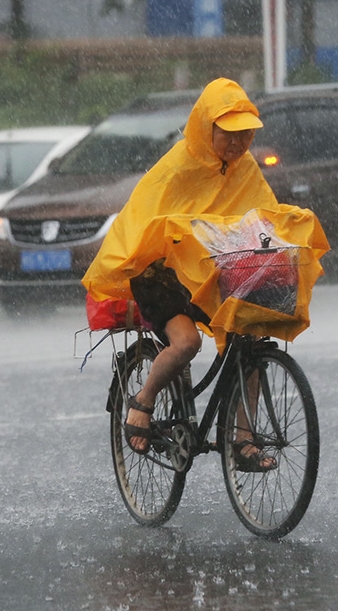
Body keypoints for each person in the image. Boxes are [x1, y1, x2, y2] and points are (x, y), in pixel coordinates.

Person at [82, 78, 281, 472]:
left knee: (252, 341)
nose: (238, 144)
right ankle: (143, 402)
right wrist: (183, 241)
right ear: (207, 127)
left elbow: (266, 216)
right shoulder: (176, 167)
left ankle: (243, 441)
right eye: (230, 134)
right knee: (186, 342)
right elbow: (145, 224)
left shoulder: (245, 170)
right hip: (159, 271)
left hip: (209, 270)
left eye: (246, 134)